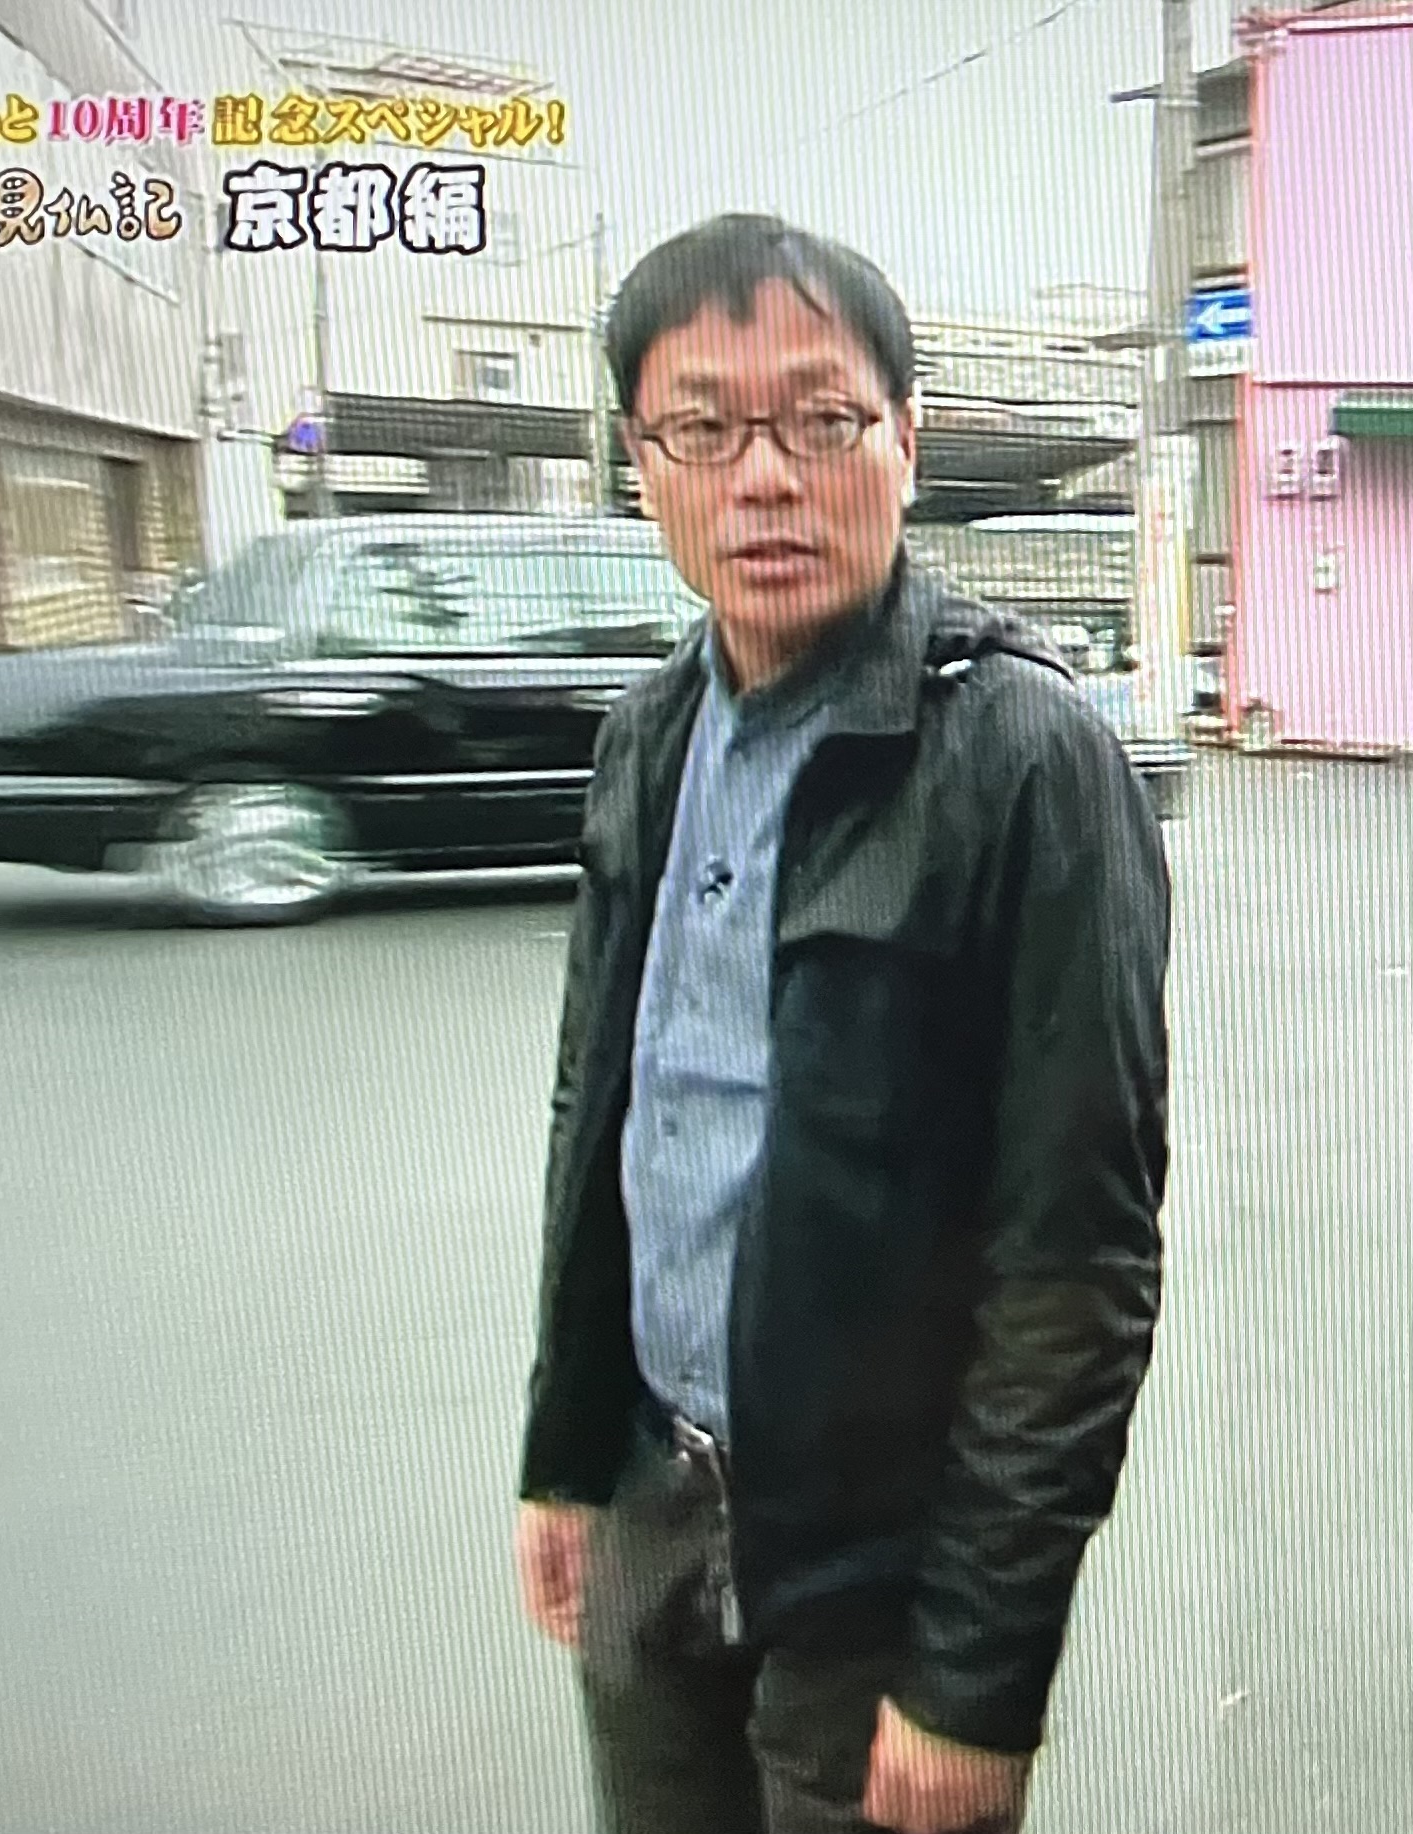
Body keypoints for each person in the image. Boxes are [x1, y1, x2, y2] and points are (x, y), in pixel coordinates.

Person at [514, 213, 1171, 1834]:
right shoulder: (649, 734)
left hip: (877, 1574)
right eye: (702, 428)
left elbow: (1075, 1263)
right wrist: (566, 1451)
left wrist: (977, 1678)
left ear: (905, 441)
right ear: (640, 465)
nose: (764, 479)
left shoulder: (1024, 759)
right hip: (655, 1496)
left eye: (820, 420)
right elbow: (607, 1104)